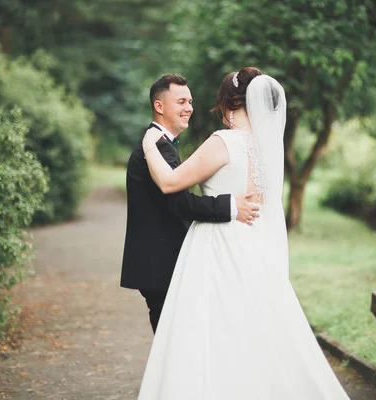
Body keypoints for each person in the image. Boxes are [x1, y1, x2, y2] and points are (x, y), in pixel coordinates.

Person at [137, 67, 350, 399]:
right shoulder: (265, 150)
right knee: (252, 329)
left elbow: (169, 182)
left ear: (226, 103)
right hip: (252, 249)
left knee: (212, 331)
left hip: (216, 247)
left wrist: (150, 145)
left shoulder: (224, 141)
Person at [121, 73, 260, 334]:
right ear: (159, 106)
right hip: (160, 263)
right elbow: (179, 203)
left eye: (191, 101)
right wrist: (231, 207)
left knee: (175, 338)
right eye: (181, 101)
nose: (189, 108)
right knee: (170, 337)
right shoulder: (156, 146)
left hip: (163, 261)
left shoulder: (161, 145)